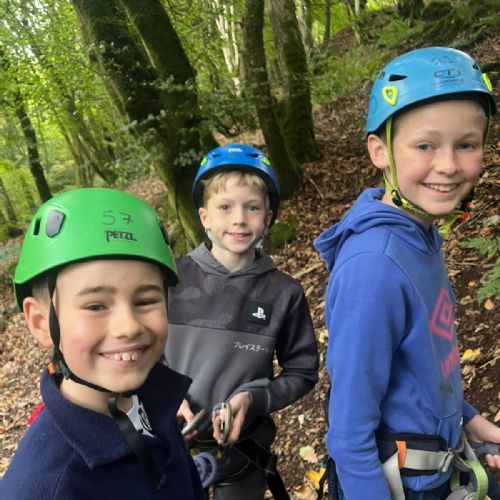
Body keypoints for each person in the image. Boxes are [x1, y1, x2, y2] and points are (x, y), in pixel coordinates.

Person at [314, 47, 500, 499]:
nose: (449, 165)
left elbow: (424, 362)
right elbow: (349, 434)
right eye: (425, 146)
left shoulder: (419, 234)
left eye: (467, 144)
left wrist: (469, 418)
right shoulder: (375, 267)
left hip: (440, 463)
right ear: (380, 150)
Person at [0, 188, 204, 500]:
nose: (129, 327)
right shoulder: (44, 488)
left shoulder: (155, 400)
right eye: (95, 306)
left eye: (146, 300)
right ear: (41, 322)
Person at [164, 144, 319, 499]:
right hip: (168, 448)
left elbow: (302, 371)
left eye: (252, 207)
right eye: (225, 207)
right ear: (204, 216)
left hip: (243, 455)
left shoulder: (283, 293)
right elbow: (143, 354)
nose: (239, 219)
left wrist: (254, 397)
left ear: (268, 216)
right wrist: (165, 395)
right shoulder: (171, 281)